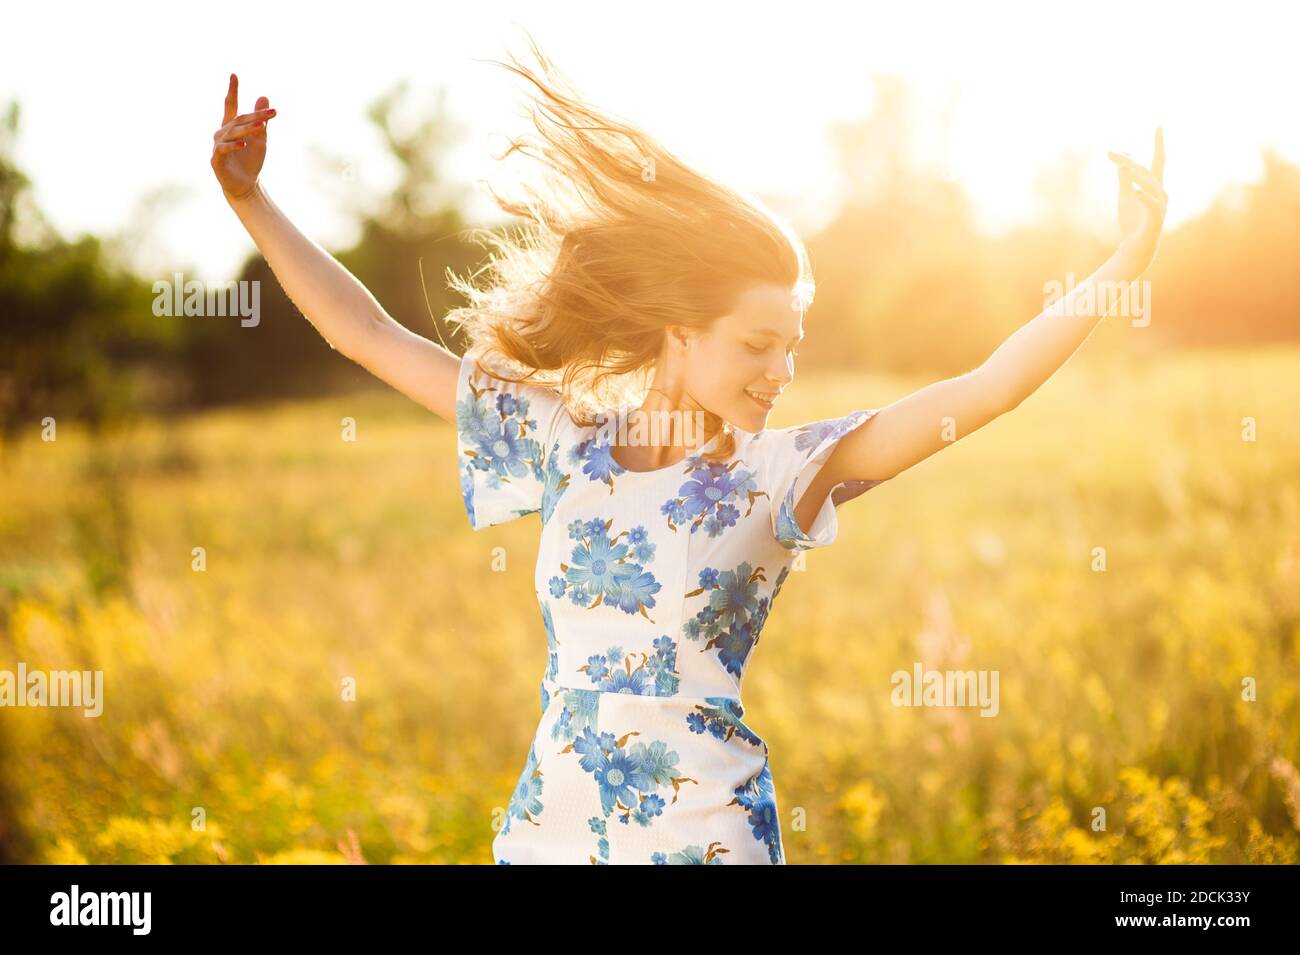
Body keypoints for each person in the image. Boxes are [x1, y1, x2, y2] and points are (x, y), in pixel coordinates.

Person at [210, 38, 1167, 864]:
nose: (782, 370)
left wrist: (1124, 261)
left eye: (793, 345)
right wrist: (251, 201)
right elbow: (369, 333)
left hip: (706, 836)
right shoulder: (564, 442)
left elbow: (982, 390)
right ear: (678, 330)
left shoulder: (783, 472)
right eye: (758, 344)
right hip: (553, 830)